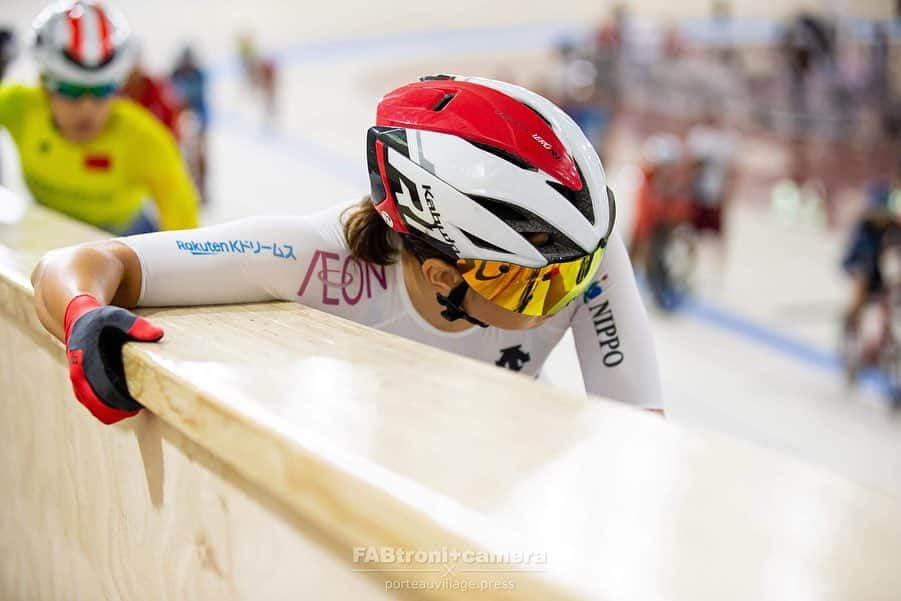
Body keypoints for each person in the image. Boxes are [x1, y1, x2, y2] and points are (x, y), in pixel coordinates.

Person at [31, 75, 663, 425]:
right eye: (537, 288)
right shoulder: (320, 258)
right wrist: (84, 319)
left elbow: (639, 431)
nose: (570, 296)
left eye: (580, 273)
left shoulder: (578, 248)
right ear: (442, 274)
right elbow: (79, 264)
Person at [0, 1, 199, 235]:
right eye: (70, 91)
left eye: (102, 91)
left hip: (124, 235)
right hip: (49, 227)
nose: (87, 109)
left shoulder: (145, 139)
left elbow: (187, 235)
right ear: (44, 86)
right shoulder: (20, 106)